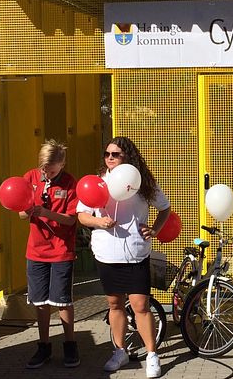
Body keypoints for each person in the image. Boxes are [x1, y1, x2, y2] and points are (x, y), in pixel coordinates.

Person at [77, 137, 171, 378]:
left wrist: (156, 230)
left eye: (116, 154)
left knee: (140, 305)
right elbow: (82, 215)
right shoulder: (98, 183)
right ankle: (120, 351)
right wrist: (99, 222)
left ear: (127, 156)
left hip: (136, 252)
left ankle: (152, 354)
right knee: (114, 304)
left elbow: (165, 208)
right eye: (107, 153)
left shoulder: (142, 183)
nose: (110, 158)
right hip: (107, 254)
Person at [19, 139, 80, 369]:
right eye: (43, 168)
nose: (46, 172)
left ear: (61, 163)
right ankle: (43, 345)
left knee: (62, 300)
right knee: (40, 301)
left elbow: (71, 219)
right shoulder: (31, 178)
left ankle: (70, 344)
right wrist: (28, 211)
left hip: (61, 249)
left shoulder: (69, 182)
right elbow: (21, 215)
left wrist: (46, 212)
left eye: (51, 168)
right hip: (36, 250)